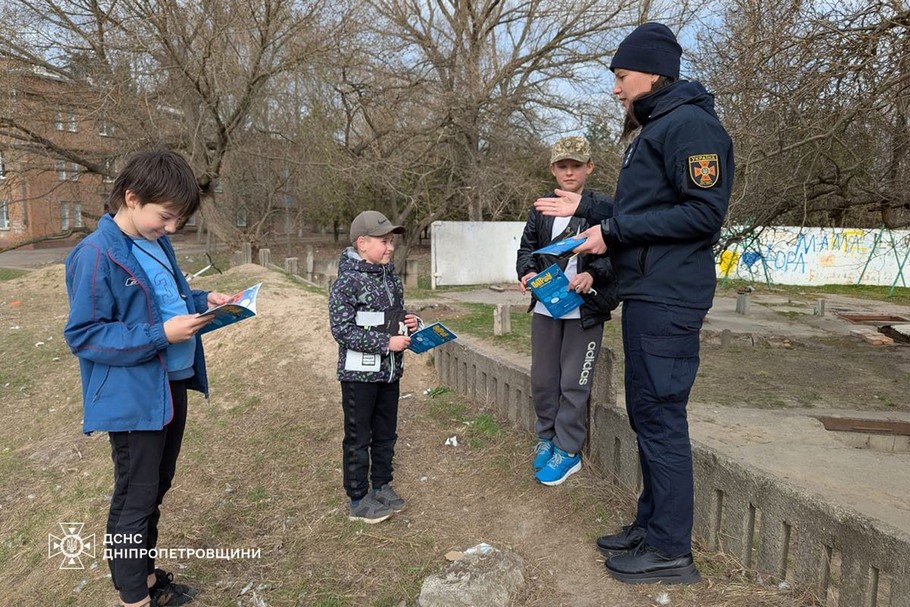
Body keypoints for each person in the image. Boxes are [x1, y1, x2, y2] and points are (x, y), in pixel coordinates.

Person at [535, 23, 734, 584]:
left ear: (653, 72)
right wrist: (602, 225)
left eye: (621, 77)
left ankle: (672, 550)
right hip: (649, 294)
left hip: (669, 300)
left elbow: (703, 213)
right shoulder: (658, 126)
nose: (617, 89)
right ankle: (651, 526)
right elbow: (650, 211)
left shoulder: (691, 125)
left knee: (662, 418)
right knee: (648, 414)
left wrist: (611, 231)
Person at [64, 149, 231, 607]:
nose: (172, 228)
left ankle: (147, 578)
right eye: (166, 217)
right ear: (132, 198)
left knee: (157, 487)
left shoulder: (155, 242)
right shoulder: (96, 254)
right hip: (133, 397)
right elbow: (85, 335)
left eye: (178, 220)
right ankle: (134, 595)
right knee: (134, 498)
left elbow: (162, 300)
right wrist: (162, 334)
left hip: (170, 386)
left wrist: (201, 299)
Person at [516, 136, 619, 486]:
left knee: (573, 382)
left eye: (576, 165)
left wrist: (592, 274)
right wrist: (527, 272)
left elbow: (618, 257)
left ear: (589, 167)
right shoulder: (541, 208)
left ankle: (568, 450)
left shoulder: (603, 209)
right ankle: (546, 437)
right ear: (553, 169)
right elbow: (527, 249)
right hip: (547, 308)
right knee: (544, 379)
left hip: (584, 313)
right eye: (563, 166)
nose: (569, 171)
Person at [329, 210, 419, 523]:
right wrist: (384, 344)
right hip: (359, 376)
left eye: (391, 240)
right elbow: (342, 330)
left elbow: (395, 317)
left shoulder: (391, 278)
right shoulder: (346, 283)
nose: (391, 246)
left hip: (390, 372)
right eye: (384, 241)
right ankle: (358, 498)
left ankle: (382, 485)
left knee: (385, 432)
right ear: (362, 243)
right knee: (358, 436)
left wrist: (411, 323)